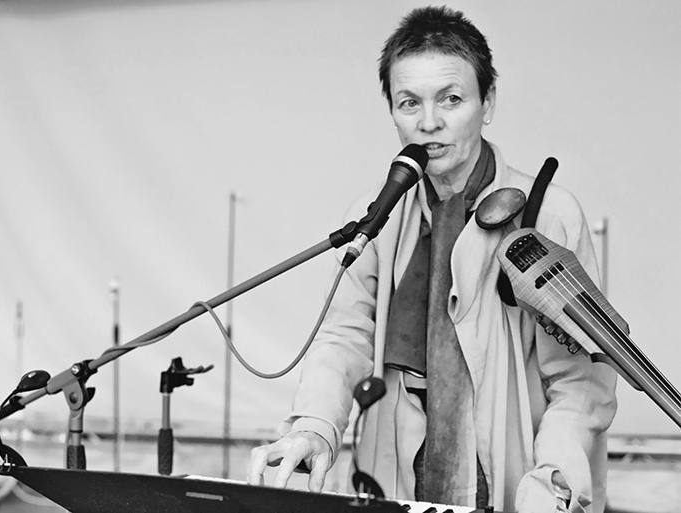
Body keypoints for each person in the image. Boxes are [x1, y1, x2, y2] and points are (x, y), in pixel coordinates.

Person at [247, 6, 617, 512]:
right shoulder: (376, 214)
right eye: (409, 103)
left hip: (516, 473)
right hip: (397, 468)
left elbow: (580, 381)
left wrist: (554, 479)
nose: (428, 123)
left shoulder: (549, 215)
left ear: (487, 103)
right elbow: (344, 336)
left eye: (452, 99)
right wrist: (314, 426)